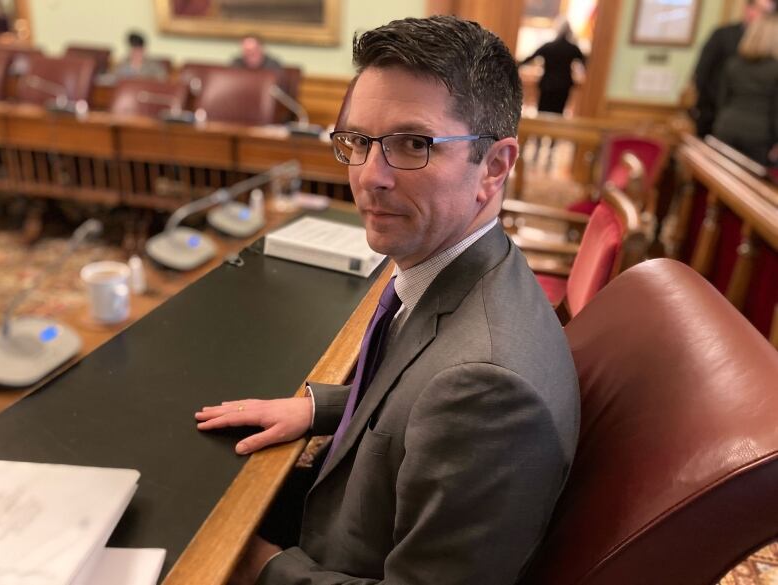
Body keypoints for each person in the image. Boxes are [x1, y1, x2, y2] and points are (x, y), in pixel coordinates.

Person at [196, 15, 579, 585]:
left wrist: (247, 562)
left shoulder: (487, 391)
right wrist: (323, 409)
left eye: (412, 144)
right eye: (357, 141)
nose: (369, 176)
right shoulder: (466, 271)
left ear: (493, 168)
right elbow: (416, 382)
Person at [691, 0, 775, 138]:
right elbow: (702, 72)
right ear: (748, 9)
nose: (763, 17)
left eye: (767, 13)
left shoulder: (770, 46)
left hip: (754, 123)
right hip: (713, 114)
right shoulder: (723, 35)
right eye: (761, 10)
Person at [518, 19, 585, 168]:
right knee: (558, 118)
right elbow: (586, 62)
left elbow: (529, 58)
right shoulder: (573, 48)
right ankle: (551, 152)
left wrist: (514, 65)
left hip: (547, 86)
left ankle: (537, 149)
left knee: (541, 116)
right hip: (563, 88)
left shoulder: (549, 46)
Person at [713, 14, 778, 166]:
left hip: (726, 126)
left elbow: (722, 99)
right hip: (759, 134)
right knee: (749, 184)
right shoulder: (775, 69)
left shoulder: (733, 64)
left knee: (723, 177)